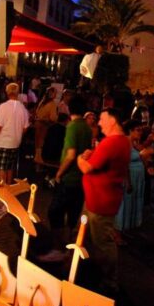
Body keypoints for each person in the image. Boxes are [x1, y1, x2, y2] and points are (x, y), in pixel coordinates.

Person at [77, 107, 131, 294]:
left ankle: (109, 282)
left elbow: (87, 167)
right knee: (87, 235)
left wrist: (80, 159)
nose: (99, 123)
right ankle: (87, 269)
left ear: (112, 121)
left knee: (103, 242)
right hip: (97, 200)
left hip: (100, 203)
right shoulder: (122, 141)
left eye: (102, 119)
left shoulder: (112, 143)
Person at [50, 96, 92, 245]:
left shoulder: (73, 126)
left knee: (56, 211)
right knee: (73, 212)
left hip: (69, 177)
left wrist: (59, 173)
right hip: (81, 177)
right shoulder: (87, 127)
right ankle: (67, 243)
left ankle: (58, 244)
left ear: (69, 108)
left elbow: (71, 155)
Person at [0, 82, 30, 183]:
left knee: (1, 168)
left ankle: (2, 194)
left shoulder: (3, 107)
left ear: (7, 93)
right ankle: (8, 190)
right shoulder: (23, 109)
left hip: (2, 142)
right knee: (9, 168)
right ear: (18, 93)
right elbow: (25, 128)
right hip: (15, 143)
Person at [113, 119, 146, 244]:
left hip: (138, 177)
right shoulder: (125, 142)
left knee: (132, 203)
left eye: (141, 130)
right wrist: (128, 181)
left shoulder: (136, 143)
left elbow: (144, 156)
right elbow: (123, 163)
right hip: (129, 177)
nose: (140, 132)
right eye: (138, 130)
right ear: (130, 131)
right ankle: (117, 233)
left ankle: (125, 229)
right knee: (124, 204)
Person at [33, 86, 58, 165]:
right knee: (41, 141)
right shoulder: (52, 104)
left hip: (38, 123)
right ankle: (38, 158)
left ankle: (37, 157)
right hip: (44, 124)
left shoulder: (42, 102)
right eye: (55, 93)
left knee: (38, 140)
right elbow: (53, 117)